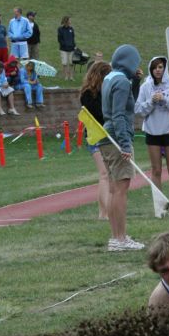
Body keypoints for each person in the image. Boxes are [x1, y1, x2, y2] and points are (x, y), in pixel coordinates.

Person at [99, 44, 144, 252]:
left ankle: (117, 237)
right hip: (117, 139)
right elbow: (119, 114)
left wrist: (136, 81)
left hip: (106, 137)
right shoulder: (121, 81)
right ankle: (120, 238)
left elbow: (127, 104)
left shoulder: (110, 78)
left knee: (115, 189)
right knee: (121, 191)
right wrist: (125, 144)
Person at [135, 56, 169, 217]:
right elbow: (138, 109)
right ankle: (159, 207)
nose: (158, 70)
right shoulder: (146, 87)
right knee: (156, 170)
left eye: (160, 67)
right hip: (152, 132)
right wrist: (151, 102)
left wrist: (166, 99)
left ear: (165, 69)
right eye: (155, 67)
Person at [80, 60, 112, 220]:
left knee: (109, 174)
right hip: (95, 136)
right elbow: (100, 113)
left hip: (108, 136)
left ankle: (106, 211)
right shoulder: (88, 94)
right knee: (104, 173)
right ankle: (104, 212)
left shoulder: (105, 91)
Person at [57, 16, 75, 81]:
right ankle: (66, 76)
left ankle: (71, 76)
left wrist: (74, 45)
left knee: (71, 63)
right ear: (66, 21)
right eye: (69, 20)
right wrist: (65, 45)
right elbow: (59, 39)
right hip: (63, 49)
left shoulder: (71, 29)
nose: (70, 21)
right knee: (64, 63)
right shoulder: (60, 29)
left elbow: (73, 38)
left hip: (71, 49)